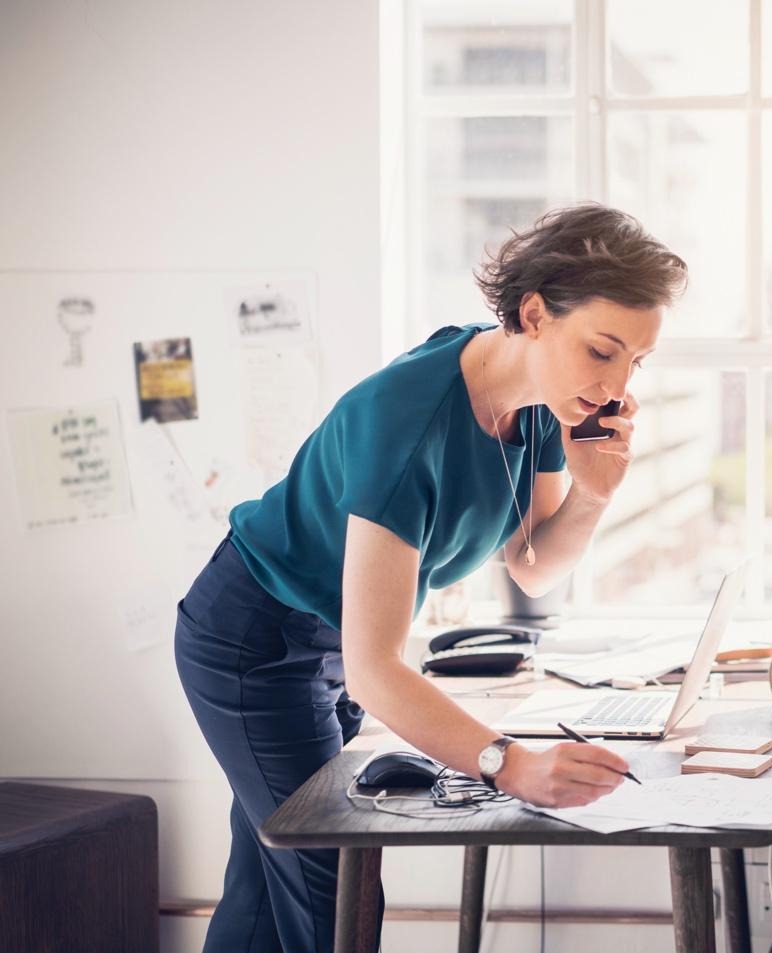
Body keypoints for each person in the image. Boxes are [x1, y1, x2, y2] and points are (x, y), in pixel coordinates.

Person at [173, 203, 687, 953]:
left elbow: (533, 566)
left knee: (265, 887)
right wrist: (511, 765)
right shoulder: (408, 421)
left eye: (634, 362)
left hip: (324, 640)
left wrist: (593, 494)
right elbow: (374, 669)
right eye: (602, 350)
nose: (614, 386)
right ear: (535, 313)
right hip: (255, 636)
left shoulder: (541, 402)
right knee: (330, 887)